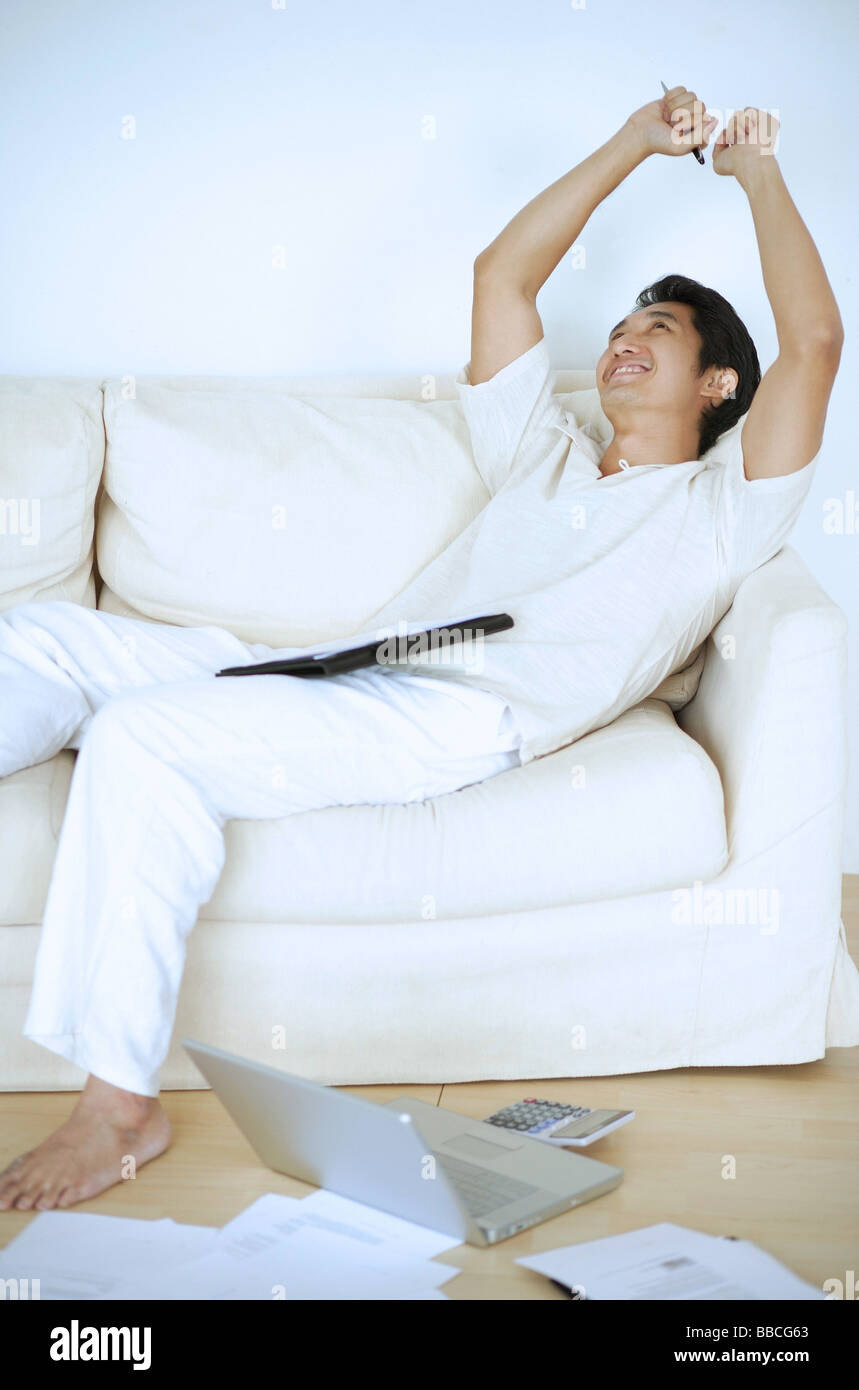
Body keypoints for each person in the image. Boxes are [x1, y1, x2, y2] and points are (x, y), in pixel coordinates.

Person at [0, 87, 842, 1212]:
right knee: (47, 639)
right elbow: (502, 277)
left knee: (143, 742)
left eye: (660, 330)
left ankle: (118, 1107)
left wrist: (755, 177)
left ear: (718, 385)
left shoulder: (722, 512)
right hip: (346, 664)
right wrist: (636, 144)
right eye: (623, 322)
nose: (624, 338)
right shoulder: (539, 453)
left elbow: (819, 340)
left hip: (447, 716)